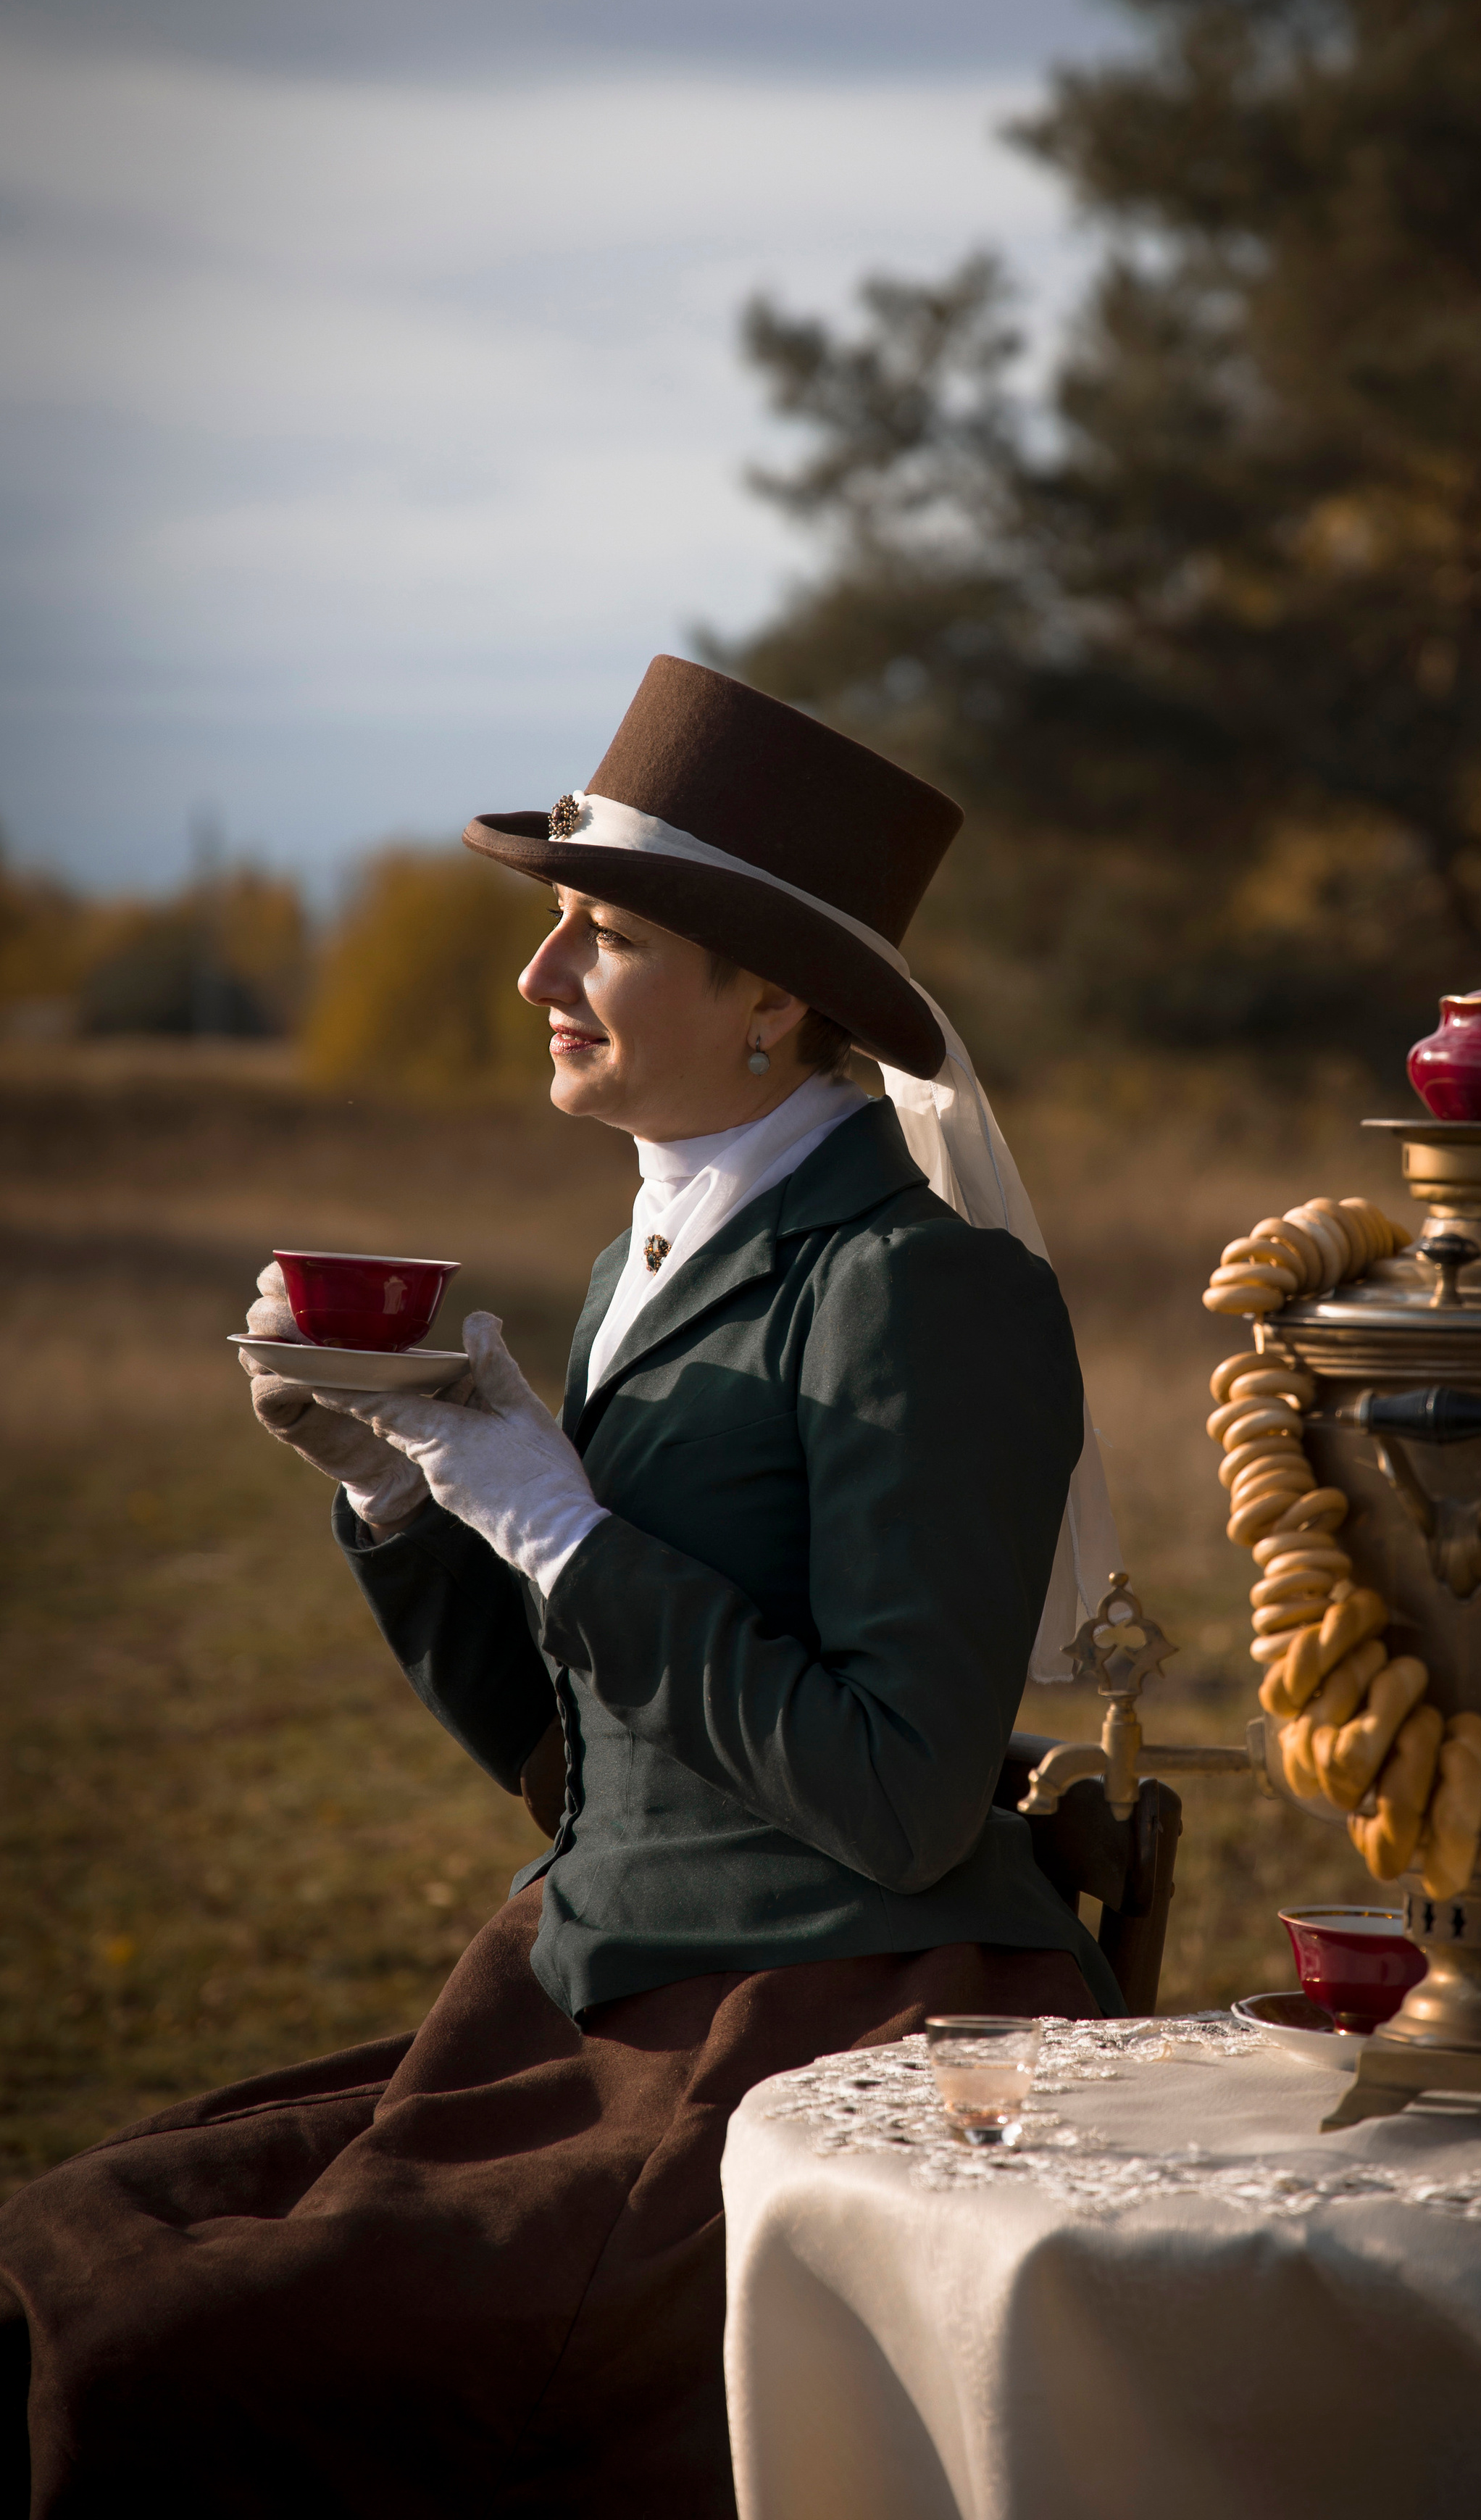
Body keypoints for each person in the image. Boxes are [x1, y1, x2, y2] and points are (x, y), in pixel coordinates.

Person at [0, 655, 1121, 2519]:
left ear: (771, 997)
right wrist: (402, 1503)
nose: (534, 978)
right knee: (73, 2239)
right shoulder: (636, 1266)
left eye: (596, 938)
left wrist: (562, 1524)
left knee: (151, 2362)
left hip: (814, 2030)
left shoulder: (919, 1292)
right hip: (578, 1992)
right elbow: (571, 1757)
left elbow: (904, 1793)